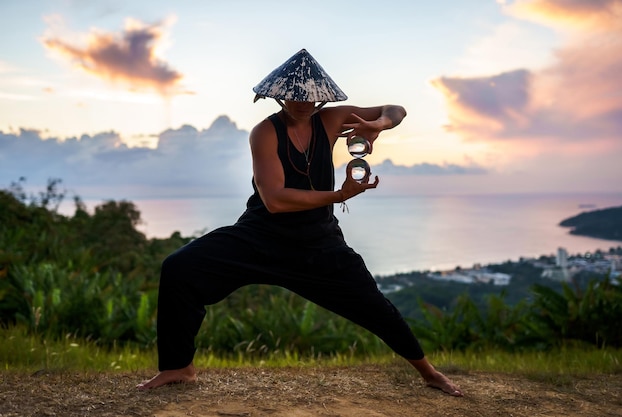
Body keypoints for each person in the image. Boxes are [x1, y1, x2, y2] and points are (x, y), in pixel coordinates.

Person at [137, 49, 463, 397]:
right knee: (179, 268)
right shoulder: (264, 132)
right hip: (260, 234)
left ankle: (429, 373)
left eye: (310, 95)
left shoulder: (333, 120)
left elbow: (396, 110)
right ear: (279, 94)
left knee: (374, 305)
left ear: (321, 96)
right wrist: (339, 196)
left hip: (317, 241)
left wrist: (377, 126)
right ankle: (178, 368)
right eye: (294, 95)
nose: (303, 101)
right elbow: (275, 200)